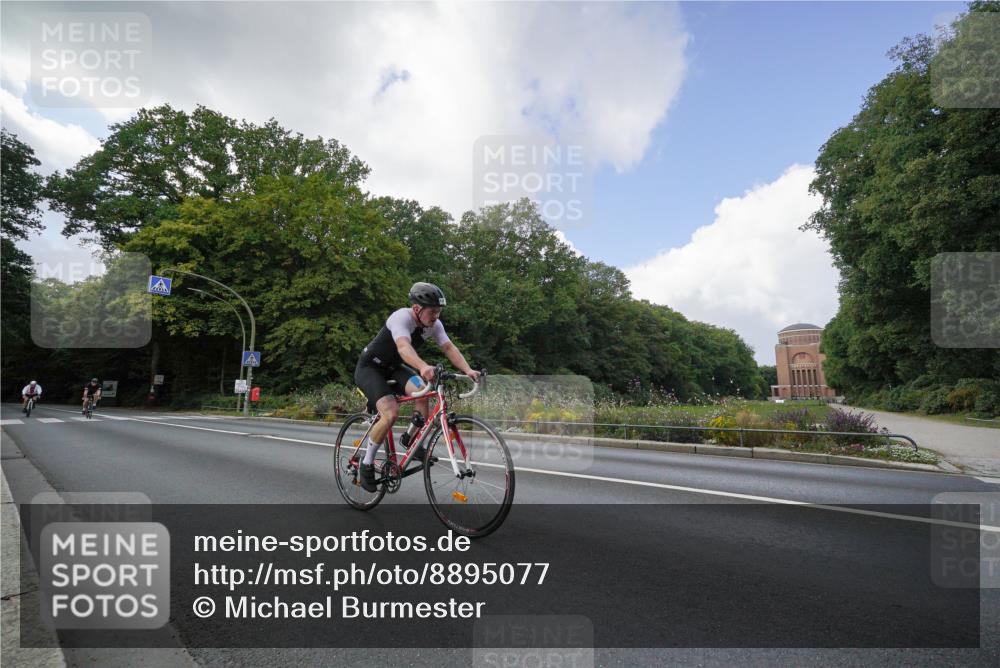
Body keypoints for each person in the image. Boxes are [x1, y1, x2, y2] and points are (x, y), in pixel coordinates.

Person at [354, 282, 480, 492]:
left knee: (424, 392)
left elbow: (449, 347)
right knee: (391, 413)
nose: (436, 317)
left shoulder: (434, 325)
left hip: (394, 368)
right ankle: (366, 464)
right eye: (432, 311)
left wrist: (468, 370)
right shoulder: (401, 318)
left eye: (439, 312)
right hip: (370, 368)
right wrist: (422, 366)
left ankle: (410, 438)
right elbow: (403, 347)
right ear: (416, 309)